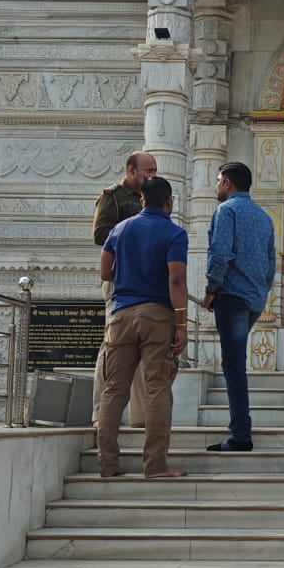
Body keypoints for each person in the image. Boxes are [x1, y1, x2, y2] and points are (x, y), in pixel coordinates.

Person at [98, 175, 190, 478]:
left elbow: (105, 271)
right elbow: (176, 279)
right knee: (157, 389)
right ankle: (155, 464)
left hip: (121, 315)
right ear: (169, 202)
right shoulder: (174, 234)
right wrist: (181, 324)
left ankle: (108, 464)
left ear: (141, 200)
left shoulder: (119, 229)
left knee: (114, 390)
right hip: (156, 315)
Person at [203, 162, 276, 452]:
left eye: (219, 180)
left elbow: (220, 253)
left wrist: (211, 288)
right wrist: (261, 291)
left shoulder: (226, 211)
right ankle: (239, 429)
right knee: (235, 364)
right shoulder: (263, 216)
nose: (217, 186)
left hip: (231, 295)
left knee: (233, 366)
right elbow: (272, 263)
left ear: (229, 183)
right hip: (254, 298)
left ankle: (241, 434)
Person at [91, 150, 159, 429]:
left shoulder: (152, 196)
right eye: (147, 170)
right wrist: (133, 232)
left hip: (146, 280)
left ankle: (139, 416)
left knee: (145, 346)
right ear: (131, 170)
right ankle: (99, 414)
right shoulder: (113, 197)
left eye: (154, 170)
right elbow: (99, 234)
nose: (152, 175)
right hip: (120, 277)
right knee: (113, 343)